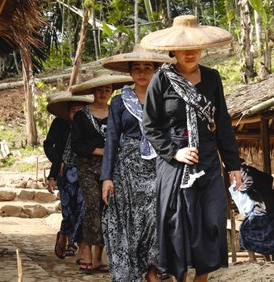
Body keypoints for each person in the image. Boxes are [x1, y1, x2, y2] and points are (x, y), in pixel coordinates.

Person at [141, 15, 242, 282]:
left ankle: (202, 279)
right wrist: (175, 152)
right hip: (174, 163)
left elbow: (222, 123)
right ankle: (179, 277)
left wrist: (233, 165)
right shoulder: (161, 79)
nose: (191, 53)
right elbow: (150, 125)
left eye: (195, 47)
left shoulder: (212, 78)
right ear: (173, 50)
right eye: (185, 48)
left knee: (212, 221)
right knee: (178, 225)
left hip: (208, 161)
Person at [100, 45, 175, 281]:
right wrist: (106, 178)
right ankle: (132, 272)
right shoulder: (119, 102)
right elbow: (111, 139)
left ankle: (152, 270)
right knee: (129, 223)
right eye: (137, 69)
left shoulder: (165, 97)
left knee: (156, 218)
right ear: (130, 72)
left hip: (157, 167)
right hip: (126, 172)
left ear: (155, 70)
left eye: (147, 68)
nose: (142, 73)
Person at [70, 74, 133, 274]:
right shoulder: (82, 115)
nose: (103, 93)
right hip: (88, 166)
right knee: (92, 206)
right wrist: (103, 151)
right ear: (93, 92)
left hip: (113, 167)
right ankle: (86, 250)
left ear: (111, 91)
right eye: (99, 90)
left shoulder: (117, 112)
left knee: (108, 209)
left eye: (107, 89)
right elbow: (77, 145)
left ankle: (99, 257)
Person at [44, 91, 93, 261]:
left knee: (83, 209)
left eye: (80, 110)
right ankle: (64, 234)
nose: (77, 114)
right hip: (65, 174)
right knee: (68, 210)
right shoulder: (59, 124)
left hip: (86, 173)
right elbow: (50, 145)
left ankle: (78, 246)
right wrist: (55, 168)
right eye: (73, 110)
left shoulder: (90, 125)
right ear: (67, 112)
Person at [238, 160, 274, 262]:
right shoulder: (251, 170)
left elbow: (249, 182)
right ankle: (266, 259)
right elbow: (269, 178)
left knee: (244, 228)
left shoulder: (244, 171)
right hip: (272, 204)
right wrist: (262, 190)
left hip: (265, 207)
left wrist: (240, 188)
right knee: (268, 233)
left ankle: (252, 258)